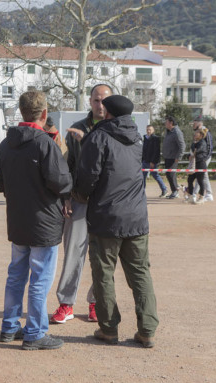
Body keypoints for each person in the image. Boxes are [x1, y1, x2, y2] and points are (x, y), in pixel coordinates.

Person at [73, 95, 159, 348]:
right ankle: (147, 330)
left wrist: (79, 195)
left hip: (106, 217)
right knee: (141, 273)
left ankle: (109, 329)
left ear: (108, 112)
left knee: (103, 274)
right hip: (136, 217)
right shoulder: (137, 137)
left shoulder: (98, 137)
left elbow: (88, 176)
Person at [0, 91, 72, 350]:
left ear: (21, 112)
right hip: (44, 222)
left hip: (18, 219)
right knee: (40, 278)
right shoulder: (45, 143)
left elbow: (1, 184)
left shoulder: (6, 144)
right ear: (44, 114)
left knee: (16, 274)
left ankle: (10, 326)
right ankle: (35, 333)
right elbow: (61, 183)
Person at [50, 83, 112, 325]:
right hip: (79, 201)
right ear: (90, 101)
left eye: (105, 100)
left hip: (106, 205)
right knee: (73, 254)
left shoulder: (115, 130)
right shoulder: (75, 130)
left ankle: (96, 303)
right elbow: (67, 167)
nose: (100, 105)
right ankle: (66, 304)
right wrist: (66, 196)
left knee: (102, 256)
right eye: (96, 100)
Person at [162, 116, 185, 199]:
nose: (165, 123)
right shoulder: (169, 131)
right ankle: (175, 190)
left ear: (171, 123)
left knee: (171, 174)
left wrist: (178, 157)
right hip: (167, 157)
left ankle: (175, 191)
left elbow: (182, 146)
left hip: (173, 158)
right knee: (169, 174)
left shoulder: (177, 132)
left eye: (166, 122)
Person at [142, 124, 168, 197]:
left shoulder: (155, 138)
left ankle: (164, 190)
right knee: (142, 177)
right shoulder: (145, 138)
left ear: (153, 130)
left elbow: (156, 151)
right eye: (147, 129)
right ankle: (142, 193)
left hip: (152, 162)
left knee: (155, 175)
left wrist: (153, 162)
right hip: (144, 161)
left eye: (150, 129)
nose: (148, 131)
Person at [184, 128, 209, 205]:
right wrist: (189, 156)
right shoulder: (194, 142)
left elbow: (198, 151)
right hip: (193, 165)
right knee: (190, 179)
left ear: (201, 135)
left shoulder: (203, 142)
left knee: (200, 181)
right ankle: (191, 197)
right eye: (195, 133)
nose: (195, 134)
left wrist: (194, 154)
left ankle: (201, 197)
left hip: (200, 164)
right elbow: (192, 152)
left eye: (197, 133)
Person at [192, 117, 214, 202]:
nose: (193, 125)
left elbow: (209, 146)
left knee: (201, 175)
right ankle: (208, 194)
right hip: (200, 158)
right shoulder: (198, 133)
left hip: (204, 158)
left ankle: (196, 194)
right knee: (203, 175)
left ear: (199, 124)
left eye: (194, 123)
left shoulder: (206, 132)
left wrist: (205, 158)